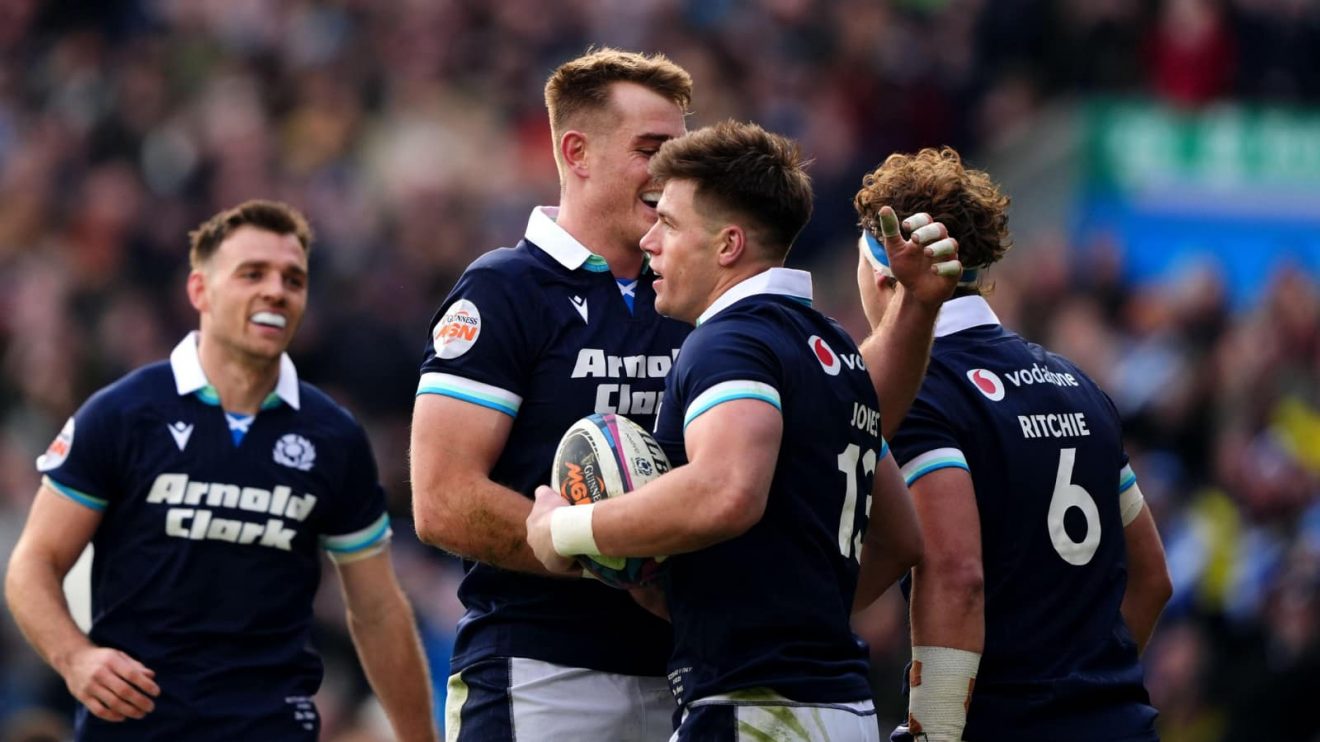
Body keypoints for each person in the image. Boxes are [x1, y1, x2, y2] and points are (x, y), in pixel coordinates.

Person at [524, 120, 933, 741]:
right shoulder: (834, 349)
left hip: (753, 709)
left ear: (727, 245)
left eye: (670, 222)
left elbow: (727, 492)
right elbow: (900, 538)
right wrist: (794, 615)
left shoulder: (732, 341)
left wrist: (566, 529)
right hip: (840, 709)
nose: (650, 239)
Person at [4, 200, 437, 741]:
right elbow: (32, 564)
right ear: (199, 292)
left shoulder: (334, 436)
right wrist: (75, 658)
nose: (276, 291)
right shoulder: (122, 414)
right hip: (136, 729)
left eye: (293, 279)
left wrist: (419, 737)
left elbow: (377, 609)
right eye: (252, 274)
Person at [852, 148, 1173, 742]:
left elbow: (957, 575)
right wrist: (1086, 691)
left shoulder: (924, 394)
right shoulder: (1079, 386)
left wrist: (935, 733)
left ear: (881, 274)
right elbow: (1152, 578)